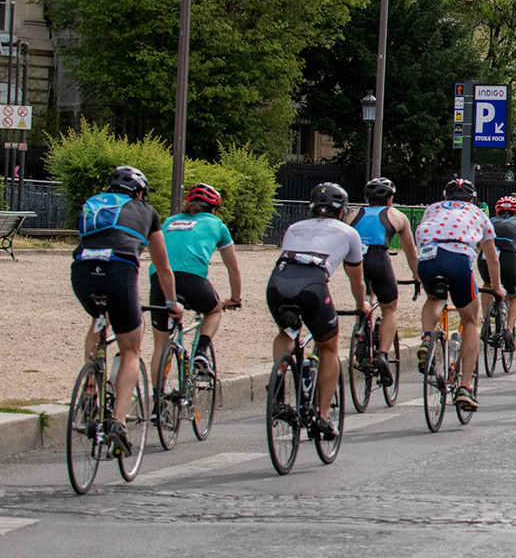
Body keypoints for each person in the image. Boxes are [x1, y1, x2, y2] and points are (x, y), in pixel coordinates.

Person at [71, 166, 184, 453]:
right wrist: (171, 304)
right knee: (131, 349)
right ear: (140, 192)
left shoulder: (95, 203)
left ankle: (91, 384)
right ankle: (118, 422)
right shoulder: (146, 211)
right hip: (118, 273)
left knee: (99, 318)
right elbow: (163, 268)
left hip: (83, 272)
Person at [263, 183, 368, 442]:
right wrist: (361, 304)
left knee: (288, 331)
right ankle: (322, 417)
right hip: (312, 284)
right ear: (342, 210)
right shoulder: (349, 233)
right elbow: (357, 280)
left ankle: (277, 385)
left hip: (278, 282)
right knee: (329, 347)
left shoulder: (294, 228)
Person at [414, 178, 503, 415]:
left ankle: (426, 340)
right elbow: (491, 257)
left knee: (434, 298)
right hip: (458, 256)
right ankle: (465, 386)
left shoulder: (432, 209)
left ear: (445, 197)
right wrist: (496, 287)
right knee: (470, 321)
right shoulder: (478, 213)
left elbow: (420, 236)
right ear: (472, 199)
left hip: (428, 257)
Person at [150, 182, 243, 384]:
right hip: (192, 280)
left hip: (160, 280)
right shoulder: (218, 225)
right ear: (213, 209)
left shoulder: (169, 221)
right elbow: (232, 268)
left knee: (160, 345)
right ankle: (201, 351)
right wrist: (235, 299)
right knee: (214, 310)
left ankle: (158, 406)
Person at [347, 177, 420, 383]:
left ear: (366, 198)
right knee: (389, 308)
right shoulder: (396, 215)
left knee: (363, 301)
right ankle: (382, 354)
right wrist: (417, 277)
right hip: (379, 258)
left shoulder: (353, 214)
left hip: (354, 261)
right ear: (390, 199)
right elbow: (410, 252)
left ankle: (361, 336)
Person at [480, 195, 516, 352]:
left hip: (485, 256)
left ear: (497, 211)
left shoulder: (489, 221)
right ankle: (508, 329)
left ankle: (486, 321)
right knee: (515, 297)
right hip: (507, 257)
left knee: (488, 285)